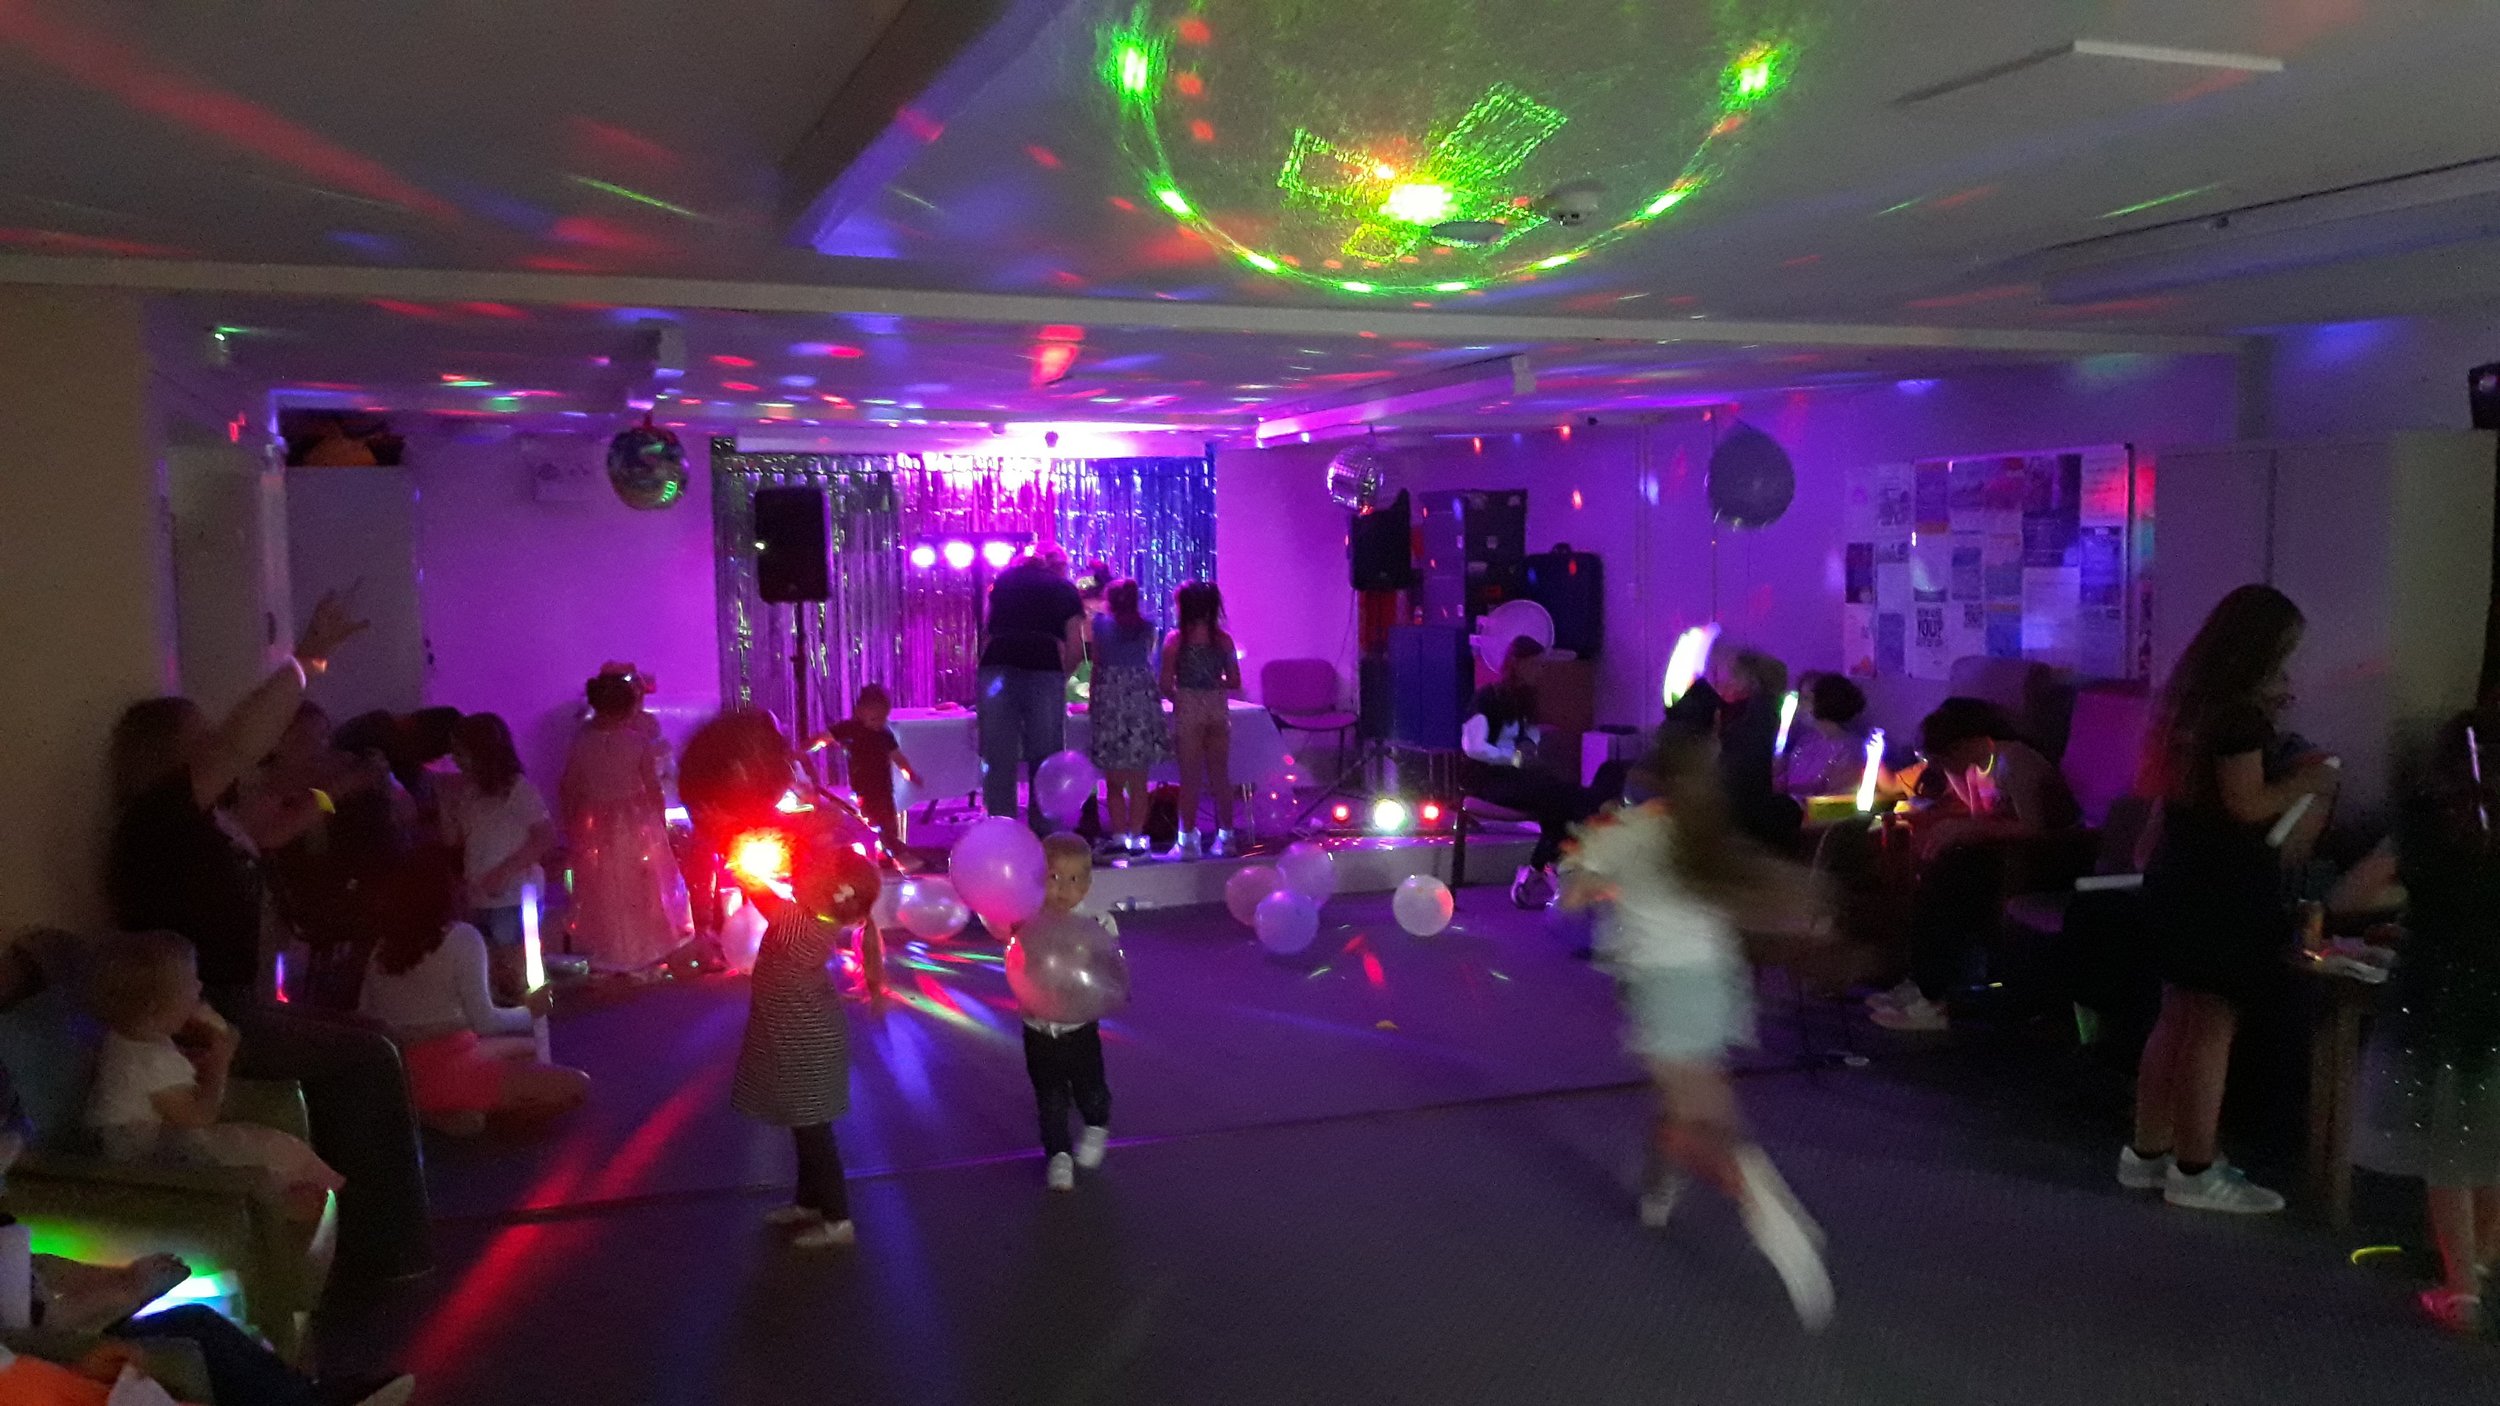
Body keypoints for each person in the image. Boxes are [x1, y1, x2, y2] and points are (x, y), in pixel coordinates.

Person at [103, 590, 431, 1281]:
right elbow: (247, 737)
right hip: (201, 1014)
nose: (216, 742)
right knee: (369, 1056)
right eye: (201, 735)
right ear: (171, 755)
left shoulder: (194, 828)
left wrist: (332, 794)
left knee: (368, 1039)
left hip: (219, 1002)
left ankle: (365, 1234)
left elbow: (273, 830)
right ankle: (386, 1254)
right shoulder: (163, 822)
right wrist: (311, 654)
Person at [1559, 734, 1833, 1330]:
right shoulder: (1711, 834)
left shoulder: (1629, 831)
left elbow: (1574, 900)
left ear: (1649, 780)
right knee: (1692, 1099)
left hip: (1664, 988)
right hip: (1717, 982)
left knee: (1701, 1120)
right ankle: (1659, 1192)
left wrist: (1585, 867)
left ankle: (1761, 1202)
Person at [2122, 584, 2340, 1214]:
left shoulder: (2188, 706)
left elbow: (2172, 802)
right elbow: (2247, 804)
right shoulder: (2238, 717)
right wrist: (2308, 778)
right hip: (2223, 882)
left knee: (2175, 1015)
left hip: (2179, 871)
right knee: (2213, 1022)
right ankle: (2195, 1168)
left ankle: (2147, 1152)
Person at [2333, 711, 2500, 1334]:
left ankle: (2458, 1289)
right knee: (2491, 1136)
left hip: (2437, 992)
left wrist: (2415, 898)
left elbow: (2349, 895)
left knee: (2447, 1147)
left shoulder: (2425, 824)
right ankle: (2481, 1258)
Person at [84, 931, 342, 1222]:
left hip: (148, 1143)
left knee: (254, 1143)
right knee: (248, 1160)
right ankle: (293, 1203)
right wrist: (220, 1062)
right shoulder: (150, 1061)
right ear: (156, 1008)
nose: (199, 987)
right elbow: (199, 1117)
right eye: (190, 984)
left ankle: (309, 1182)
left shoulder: (128, 1039)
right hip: (141, 1157)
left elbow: (167, 1085)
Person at [1868, 697, 2083, 1033]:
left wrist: (1969, 829)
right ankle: (1922, 982)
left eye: (1943, 758)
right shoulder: (1972, 767)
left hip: (2046, 859)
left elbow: (2036, 827)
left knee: (1951, 876)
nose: (1940, 767)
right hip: (2001, 857)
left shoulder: (2015, 761)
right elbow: (1978, 818)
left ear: (1966, 744)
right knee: (1934, 868)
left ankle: (1933, 996)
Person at [358, 850, 589, 1137]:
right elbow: (486, 1023)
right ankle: (441, 1111)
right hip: (448, 1067)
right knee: (575, 1086)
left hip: (401, 1068)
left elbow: (365, 1014)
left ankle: (436, 1106)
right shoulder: (462, 938)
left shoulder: (382, 947)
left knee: (526, 1050)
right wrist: (531, 1011)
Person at [732, 841, 880, 1251]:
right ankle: (809, 1201)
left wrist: (740, 866)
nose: (799, 874)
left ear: (828, 891)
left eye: (809, 871)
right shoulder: (814, 919)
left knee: (814, 1131)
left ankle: (838, 1219)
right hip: (802, 1036)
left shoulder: (801, 924)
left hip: (807, 1042)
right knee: (805, 1123)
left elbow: (764, 899)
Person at [561, 672, 693, 978]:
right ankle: (642, 950)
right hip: (633, 820)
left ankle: (608, 951)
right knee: (640, 882)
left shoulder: (582, 743)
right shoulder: (637, 742)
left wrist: (571, 823)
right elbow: (651, 787)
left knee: (602, 884)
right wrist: (659, 825)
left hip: (594, 822)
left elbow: (570, 786)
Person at [1462, 637, 1601, 909]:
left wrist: (1530, 748)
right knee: (1554, 795)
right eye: (1535, 665)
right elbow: (1473, 747)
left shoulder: (1525, 699)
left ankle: (1544, 866)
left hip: (1515, 775)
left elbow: (1528, 735)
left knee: (1564, 793)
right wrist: (1513, 757)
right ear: (1518, 664)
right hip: (1487, 779)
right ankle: (1547, 867)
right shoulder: (1487, 698)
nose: (1540, 671)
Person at [1023, 834, 1124, 1192]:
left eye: (1074, 879)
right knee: (1049, 1096)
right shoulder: (1027, 921)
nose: (1063, 888)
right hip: (1038, 1027)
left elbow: (1109, 968)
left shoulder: (1097, 922)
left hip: (1079, 1025)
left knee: (1089, 1085)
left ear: (1087, 884)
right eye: (1053, 877)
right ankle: (1058, 1154)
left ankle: (1097, 1124)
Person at [441, 713, 554, 1004]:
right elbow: (456, 841)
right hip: (481, 893)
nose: (455, 759)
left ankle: (531, 1026)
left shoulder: (517, 790)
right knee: (487, 961)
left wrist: (504, 871)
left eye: (460, 752)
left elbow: (544, 836)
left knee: (514, 963)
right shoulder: (468, 793)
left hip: (513, 893)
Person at [978, 547, 1087, 830]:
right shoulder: (1064, 589)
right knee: (1045, 756)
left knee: (998, 756)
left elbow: (988, 635)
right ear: (1056, 566)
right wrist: (1059, 678)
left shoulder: (1002, 582)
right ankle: (1044, 833)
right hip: (1043, 664)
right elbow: (1076, 648)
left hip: (997, 665)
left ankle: (1001, 830)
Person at [1160, 580, 1243, 859]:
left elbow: (1164, 683)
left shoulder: (1175, 641)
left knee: (1190, 779)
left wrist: (1179, 697)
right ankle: (1227, 836)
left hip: (1189, 710)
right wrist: (1214, 680)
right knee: (1221, 777)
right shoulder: (1224, 641)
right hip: (1218, 710)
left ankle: (1187, 840)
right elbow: (1234, 680)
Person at [1088, 579, 1164, 858]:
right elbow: (1149, 660)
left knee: (1114, 780)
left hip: (1110, 698)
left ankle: (1119, 836)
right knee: (1139, 780)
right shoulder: (1147, 627)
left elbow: (1097, 664)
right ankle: (1136, 837)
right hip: (1140, 696)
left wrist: (1093, 701)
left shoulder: (1100, 625)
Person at [822, 684, 919, 861]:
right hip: (862, 788)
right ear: (859, 712)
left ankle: (889, 855)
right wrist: (803, 749)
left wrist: (909, 772)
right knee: (870, 823)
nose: (879, 723)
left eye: (883, 719)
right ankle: (883, 853)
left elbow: (897, 756)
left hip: (884, 788)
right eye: (874, 719)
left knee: (888, 823)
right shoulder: (849, 729)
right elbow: (823, 738)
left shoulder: (884, 735)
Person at [1783, 674, 1876, 798]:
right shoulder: (1806, 741)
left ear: (1825, 703)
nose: (1799, 705)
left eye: (1806, 698)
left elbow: (1835, 795)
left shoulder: (1851, 750)